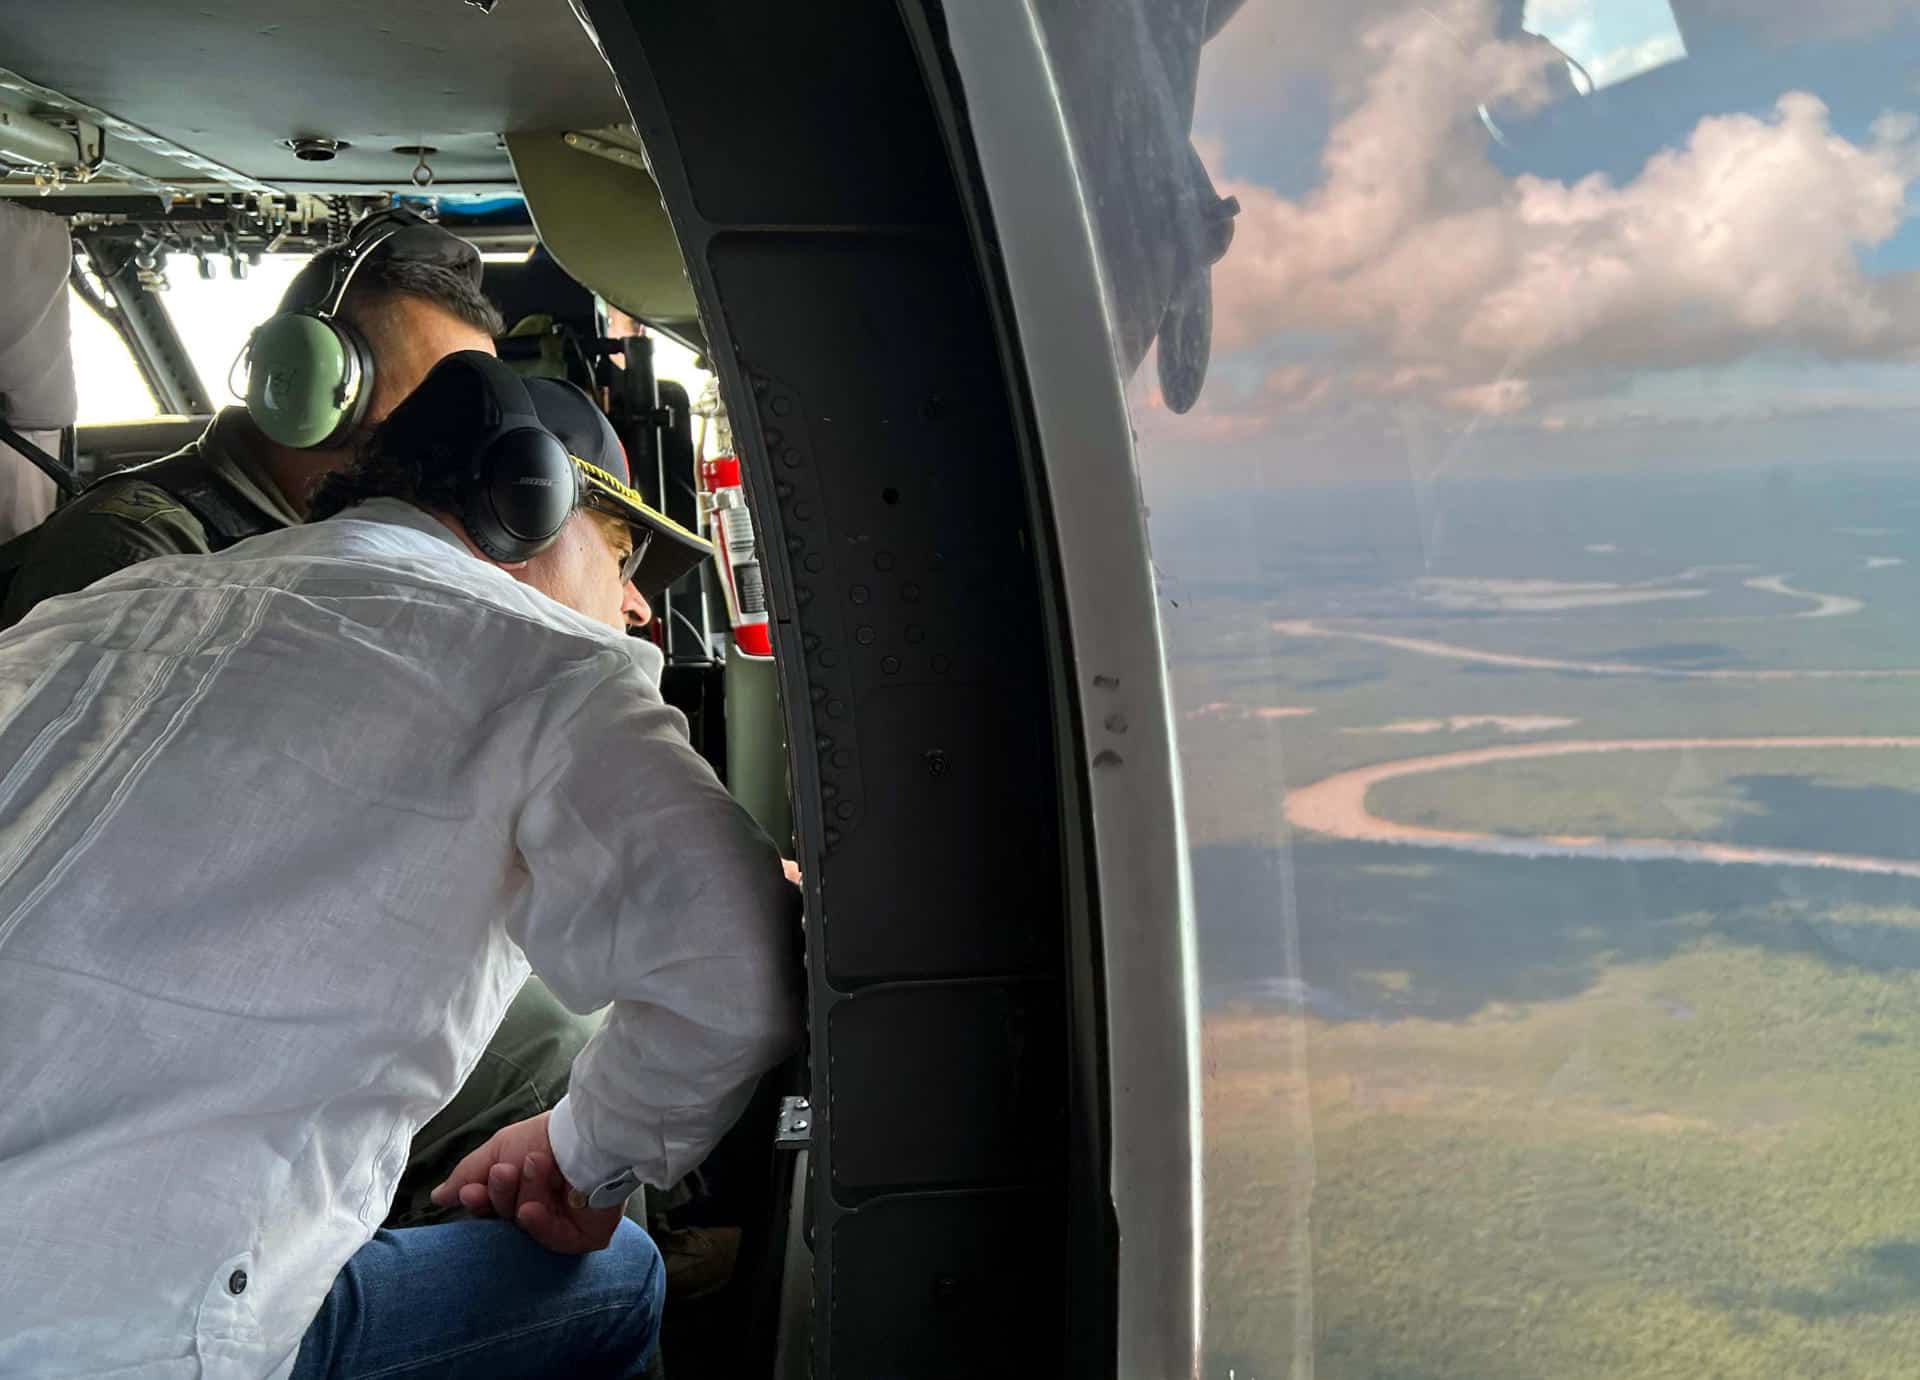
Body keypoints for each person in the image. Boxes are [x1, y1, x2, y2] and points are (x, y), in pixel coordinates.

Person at [0, 351, 801, 1377]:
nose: (640, 607)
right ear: (528, 504)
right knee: (620, 1278)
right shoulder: (549, 668)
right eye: (621, 557)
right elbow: (735, 978)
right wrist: (578, 1154)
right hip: (111, 1337)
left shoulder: (99, 612)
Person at [0, 208, 620, 1242]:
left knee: (582, 975)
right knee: (567, 1029)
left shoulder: (328, 546)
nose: (455, 452)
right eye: (426, 408)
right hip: (150, 1023)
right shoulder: (139, 558)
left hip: (253, 963)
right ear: (303, 392)